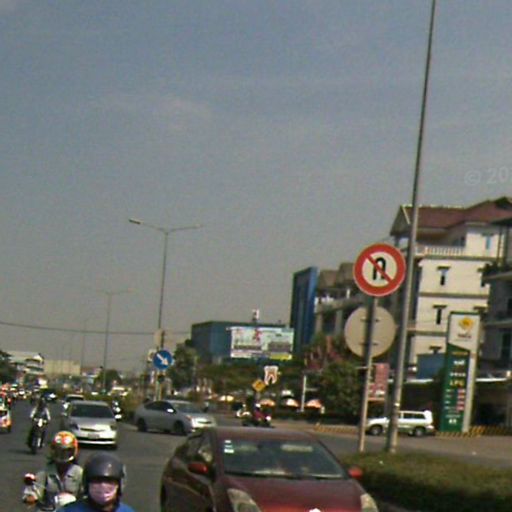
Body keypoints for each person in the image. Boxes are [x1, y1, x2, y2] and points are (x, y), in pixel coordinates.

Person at [22, 431, 83, 510]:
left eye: (66, 451)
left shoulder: (79, 473)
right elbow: (35, 491)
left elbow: (87, 493)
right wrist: (31, 497)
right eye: (58, 451)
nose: (62, 455)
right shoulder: (45, 472)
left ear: (73, 451)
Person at [56, 453, 135, 512]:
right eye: (97, 480)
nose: (103, 485)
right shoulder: (69, 510)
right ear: (87, 483)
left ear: (119, 485)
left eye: (109, 481)